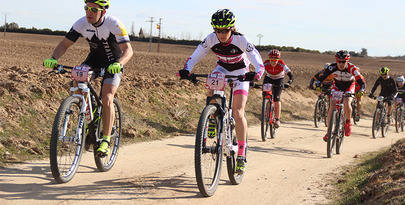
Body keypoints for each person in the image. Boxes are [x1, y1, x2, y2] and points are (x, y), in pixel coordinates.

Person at [178, 9, 264, 174]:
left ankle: (241, 154)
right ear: (214, 30)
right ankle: (212, 117)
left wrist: (257, 73)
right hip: (222, 69)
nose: (222, 34)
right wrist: (186, 70)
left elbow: (257, 61)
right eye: (218, 30)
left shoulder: (241, 40)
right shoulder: (210, 39)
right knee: (212, 84)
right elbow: (195, 56)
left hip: (241, 72)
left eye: (225, 30)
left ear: (232, 28)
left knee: (238, 112)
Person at [43, 0, 133, 156]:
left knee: (107, 98)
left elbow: (128, 50)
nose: (89, 12)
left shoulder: (114, 23)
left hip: (114, 63)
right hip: (94, 60)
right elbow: (64, 44)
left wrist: (119, 64)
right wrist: (54, 58)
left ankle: (105, 140)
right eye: (86, 8)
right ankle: (89, 118)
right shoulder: (81, 23)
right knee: (76, 82)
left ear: (103, 12)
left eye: (93, 9)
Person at [313, 50, 365, 141]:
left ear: (347, 61)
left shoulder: (352, 68)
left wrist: (361, 90)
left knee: (346, 101)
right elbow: (322, 77)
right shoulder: (332, 67)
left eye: (343, 62)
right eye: (339, 62)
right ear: (336, 61)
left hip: (349, 86)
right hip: (337, 85)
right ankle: (329, 132)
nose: (341, 64)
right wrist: (318, 83)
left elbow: (361, 82)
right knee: (332, 105)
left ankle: (348, 122)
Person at [262, 49, 293, 127]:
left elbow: (290, 74)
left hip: (279, 79)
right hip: (268, 78)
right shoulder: (266, 63)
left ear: (278, 59)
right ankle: (266, 105)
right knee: (265, 94)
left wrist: (289, 82)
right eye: (271, 59)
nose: (273, 62)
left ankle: (277, 119)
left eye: (275, 60)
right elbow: (260, 71)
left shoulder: (281, 63)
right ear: (269, 59)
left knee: (277, 99)